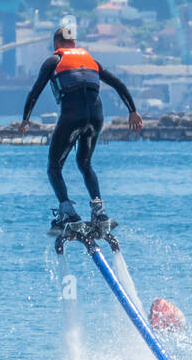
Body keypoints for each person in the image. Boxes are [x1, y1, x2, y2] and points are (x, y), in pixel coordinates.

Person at [19, 17, 142, 233]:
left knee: (54, 166)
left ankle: (68, 213)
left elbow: (35, 91)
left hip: (72, 116)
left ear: (56, 44)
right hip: (96, 116)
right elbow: (118, 84)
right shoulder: (91, 61)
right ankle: (99, 212)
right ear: (74, 44)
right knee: (85, 164)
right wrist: (132, 111)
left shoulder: (53, 61)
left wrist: (26, 118)